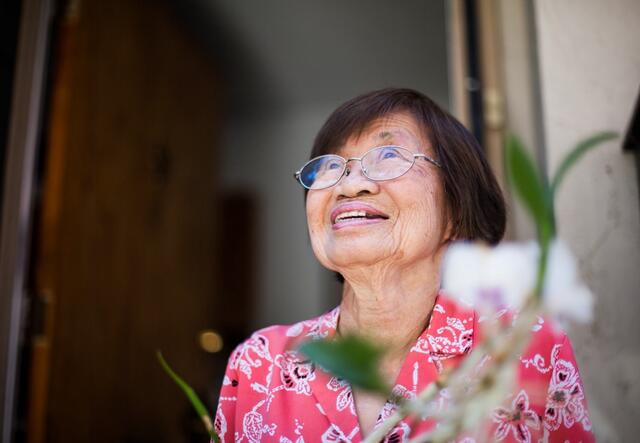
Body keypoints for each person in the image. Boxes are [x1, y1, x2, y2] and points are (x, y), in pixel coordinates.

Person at [215, 88, 594, 442]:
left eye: (389, 156)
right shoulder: (259, 362)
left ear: (455, 210)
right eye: (331, 166)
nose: (349, 186)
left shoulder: (523, 346)